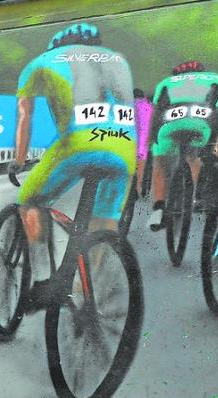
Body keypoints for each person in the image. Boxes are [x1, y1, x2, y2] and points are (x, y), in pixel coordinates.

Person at [9, 23, 136, 306]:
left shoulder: (42, 61)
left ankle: (44, 282)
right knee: (103, 223)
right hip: (124, 146)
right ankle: (84, 298)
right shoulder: (117, 59)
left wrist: (18, 162)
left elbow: (24, 116)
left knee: (29, 200)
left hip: (80, 144)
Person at [148, 61, 218, 230]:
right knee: (193, 156)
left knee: (159, 160)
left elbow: (157, 111)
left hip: (171, 124)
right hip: (201, 124)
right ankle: (193, 197)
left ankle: (158, 209)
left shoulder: (167, 82)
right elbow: (216, 107)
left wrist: (152, 139)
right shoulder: (213, 78)